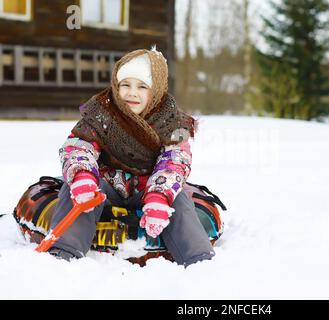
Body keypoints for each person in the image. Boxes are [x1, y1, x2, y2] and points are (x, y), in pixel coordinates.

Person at [49, 47, 215, 267]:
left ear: (156, 90)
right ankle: (63, 252)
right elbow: (79, 145)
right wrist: (83, 176)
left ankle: (199, 260)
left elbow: (175, 160)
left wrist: (159, 197)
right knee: (73, 191)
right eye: (125, 85)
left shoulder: (173, 123)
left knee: (179, 199)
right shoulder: (102, 113)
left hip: (149, 186)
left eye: (142, 86)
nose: (132, 93)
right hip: (105, 184)